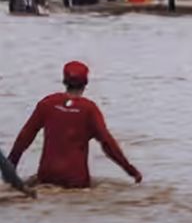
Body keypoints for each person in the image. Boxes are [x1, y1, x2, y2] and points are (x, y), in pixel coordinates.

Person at [10, 61, 140, 190]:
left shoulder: (47, 103)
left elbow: (25, 137)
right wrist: (131, 170)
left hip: (47, 176)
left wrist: (10, 167)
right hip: (76, 180)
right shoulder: (89, 109)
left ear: (64, 81)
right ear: (86, 83)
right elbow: (108, 144)